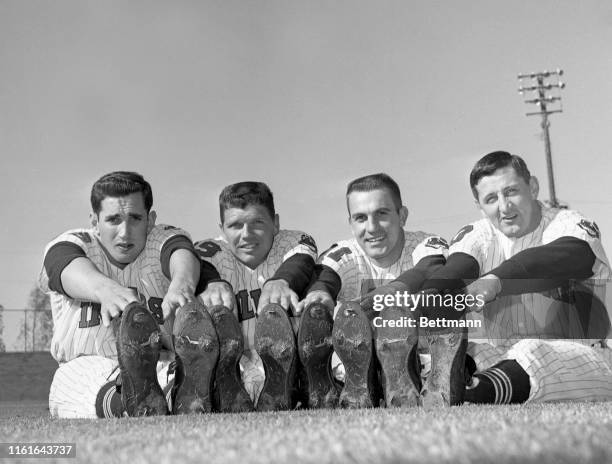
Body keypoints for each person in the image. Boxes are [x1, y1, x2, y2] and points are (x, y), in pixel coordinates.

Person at [414, 151, 612, 407]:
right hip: (506, 355)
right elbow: (458, 267)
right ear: (479, 205)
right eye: (491, 198)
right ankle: (452, 379)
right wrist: (431, 294)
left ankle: (474, 391)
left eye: (511, 192)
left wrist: (494, 280)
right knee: (473, 352)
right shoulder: (480, 234)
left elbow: (570, 255)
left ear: (533, 187)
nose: (504, 207)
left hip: (591, 358)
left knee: (532, 353)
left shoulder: (567, 222)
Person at [39, 171, 230, 418]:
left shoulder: (159, 239)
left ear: (150, 220)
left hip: (157, 364)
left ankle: (185, 391)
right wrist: (105, 290)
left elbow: (179, 250)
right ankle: (134, 400)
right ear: (95, 222)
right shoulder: (78, 242)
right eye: (113, 220)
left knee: (175, 371)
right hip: (87, 365)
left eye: (135, 219)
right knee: (74, 384)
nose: (125, 231)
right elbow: (60, 263)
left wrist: (182, 284)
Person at [298, 173, 448, 408]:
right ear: (350, 223)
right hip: (360, 363)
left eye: (382, 213)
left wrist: (391, 291)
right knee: (347, 358)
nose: (372, 227)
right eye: (360, 218)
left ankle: (396, 380)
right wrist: (320, 293)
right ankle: (349, 383)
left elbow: (431, 268)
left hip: (419, 361)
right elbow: (327, 273)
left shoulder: (425, 243)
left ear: (402, 215)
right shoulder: (345, 252)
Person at [194, 181, 318, 410]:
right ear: (221, 228)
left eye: (257, 223)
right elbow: (197, 261)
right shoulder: (212, 251)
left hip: (286, 361)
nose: (247, 234)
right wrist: (211, 282)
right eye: (235, 226)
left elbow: (302, 259)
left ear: (276, 223)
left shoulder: (290, 242)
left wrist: (282, 281)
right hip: (236, 364)